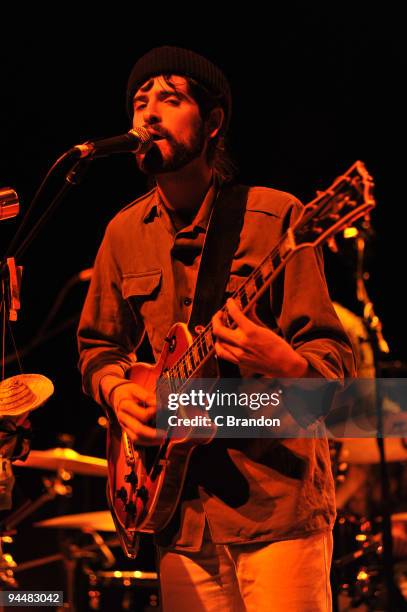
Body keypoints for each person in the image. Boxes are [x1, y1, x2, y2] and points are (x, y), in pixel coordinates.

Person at [77, 46, 355, 611]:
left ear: (213, 122)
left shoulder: (276, 217)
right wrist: (117, 390)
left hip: (274, 509)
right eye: (139, 101)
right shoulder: (122, 234)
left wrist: (286, 362)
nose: (148, 113)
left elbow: (334, 360)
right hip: (177, 515)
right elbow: (97, 348)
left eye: (170, 98)